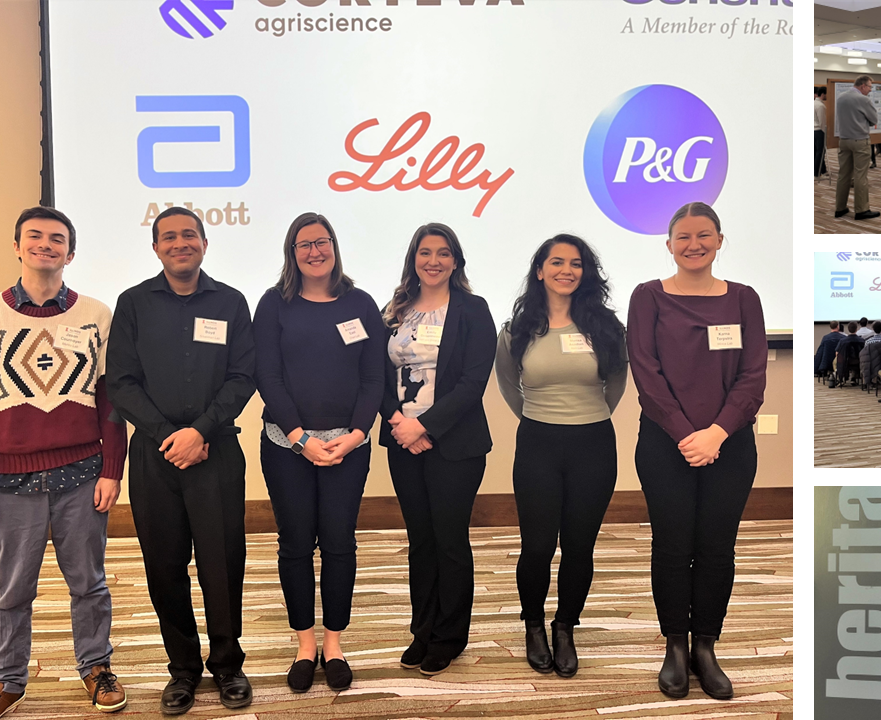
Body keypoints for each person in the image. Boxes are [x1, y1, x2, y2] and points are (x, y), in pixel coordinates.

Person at [0, 207, 129, 720]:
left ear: (70, 253)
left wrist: (112, 470)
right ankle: (7, 680)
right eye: (35, 237)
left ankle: (96, 667)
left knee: (89, 583)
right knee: (11, 590)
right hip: (7, 482)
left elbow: (111, 401)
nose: (45, 245)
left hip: (82, 473)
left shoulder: (97, 314)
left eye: (57, 239)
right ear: (16, 246)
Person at [106, 206, 257, 715]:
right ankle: (183, 669)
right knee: (164, 566)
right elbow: (120, 383)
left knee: (222, 563)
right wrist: (171, 435)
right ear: (155, 248)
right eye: (168, 237)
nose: (179, 243)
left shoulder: (232, 302)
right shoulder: (132, 304)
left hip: (216, 452)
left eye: (189, 235)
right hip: (155, 457)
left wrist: (201, 430)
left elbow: (243, 376)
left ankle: (228, 664)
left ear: (205, 243)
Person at [627, 202, 765, 701]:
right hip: (666, 446)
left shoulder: (745, 299)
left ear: (720, 241)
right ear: (669, 244)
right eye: (683, 237)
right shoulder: (647, 297)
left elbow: (753, 377)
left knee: (715, 547)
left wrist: (718, 433)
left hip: (731, 445)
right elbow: (647, 374)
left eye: (704, 235)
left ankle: (707, 645)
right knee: (672, 546)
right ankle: (675, 647)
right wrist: (690, 435)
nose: (694, 244)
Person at [252, 213, 384, 693]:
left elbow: (374, 379)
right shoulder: (274, 305)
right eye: (304, 244)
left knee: (339, 543)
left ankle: (334, 644)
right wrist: (301, 438)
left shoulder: (361, 303)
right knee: (295, 544)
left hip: (349, 446)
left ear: (334, 247)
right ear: (292, 252)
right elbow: (268, 377)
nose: (314, 251)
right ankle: (305, 645)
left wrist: (355, 433)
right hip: (287, 446)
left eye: (322, 242)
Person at [494, 234, 627, 678]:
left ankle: (565, 626)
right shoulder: (517, 329)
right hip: (537, 444)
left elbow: (618, 380)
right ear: (540, 270)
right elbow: (510, 384)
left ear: (585, 272)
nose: (566, 270)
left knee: (578, 546)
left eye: (576, 263)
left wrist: (589, 415)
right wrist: (538, 416)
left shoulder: (605, 327)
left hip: (594, 444)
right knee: (536, 546)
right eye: (556, 262)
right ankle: (533, 625)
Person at [380, 223, 495, 677]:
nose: (433, 261)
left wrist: (424, 426)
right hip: (403, 442)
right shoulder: (394, 310)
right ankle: (422, 630)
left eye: (443, 253)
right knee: (419, 542)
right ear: (414, 259)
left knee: (449, 541)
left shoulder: (472, 309)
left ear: (455, 260)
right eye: (425, 252)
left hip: (456, 445)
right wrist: (399, 424)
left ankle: (449, 636)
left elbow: (472, 382)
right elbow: (376, 377)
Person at [834, 75, 881, 221]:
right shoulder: (863, 99)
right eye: (869, 87)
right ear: (862, 86)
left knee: (843, 175)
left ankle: (840, 208)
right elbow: (874, 119)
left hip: (843, 140)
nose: (870, 90)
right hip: (860, 141)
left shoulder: (840, 97)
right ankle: (861, 210)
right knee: (860, 176)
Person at [814, 86, 827, 177]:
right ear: (822, 94)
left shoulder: (813, 103)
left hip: (813, 130)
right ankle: (816, 173)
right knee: (820, 152)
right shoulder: (820, 105)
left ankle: (820, 171)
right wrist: (824, 133)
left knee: (815, 152)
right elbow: (822, 121)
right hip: (819, 131)